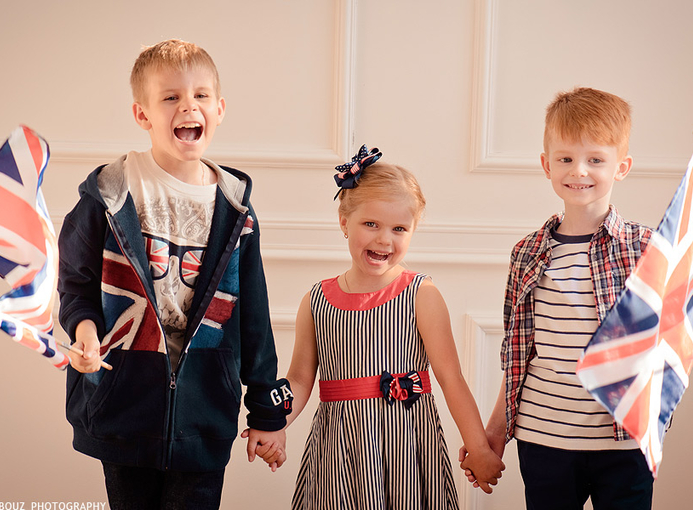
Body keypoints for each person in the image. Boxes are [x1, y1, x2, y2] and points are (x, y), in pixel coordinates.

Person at [462, 87, 693, 510]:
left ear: (621, 167)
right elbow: (518, 354)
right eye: (566, 159)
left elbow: (669, 328)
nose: (579, 171)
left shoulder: (648, 248)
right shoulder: (526, 253)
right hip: (544, 437)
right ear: (547, 165)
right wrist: (496, 430)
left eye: (596, 160)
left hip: (625, 441)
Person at [57, 39, 291, 510]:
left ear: (219, 109)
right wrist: (85, 334)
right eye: (171, 97)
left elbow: (254, 317)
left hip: (205, 411)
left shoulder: (236, 210)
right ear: (142, 114)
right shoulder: (109, 195)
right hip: (123, 407)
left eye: (201, 95)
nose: (188, 106)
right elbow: (75, 284)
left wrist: (267, 413)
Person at [283, 146, 505, 509]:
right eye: (371, 224)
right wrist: (274, 424)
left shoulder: (421, 294)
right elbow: (299, 380)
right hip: (340, 449)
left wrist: (479, 448)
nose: (384, 239)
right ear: (344, 222)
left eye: (399, 229)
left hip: (407, 446)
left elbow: (451, 378)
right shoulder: (316, 300)